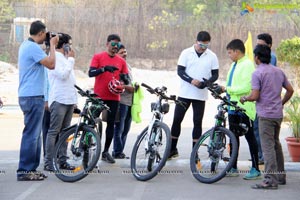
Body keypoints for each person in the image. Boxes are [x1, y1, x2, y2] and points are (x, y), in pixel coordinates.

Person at [240, 44, 294, 189]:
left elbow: (255, 95)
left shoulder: (257, 73)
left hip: (265, 115)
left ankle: (270, 180)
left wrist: (245, 98)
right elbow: (290, 90)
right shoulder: (278, 71)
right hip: (277, 114)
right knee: (276, 144)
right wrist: (281, 103)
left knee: (268, 147)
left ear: (256, 57)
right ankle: (280, 176)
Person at [17, 20, 58, 181]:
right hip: (32, 96)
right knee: (31, 135)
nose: (46, 37)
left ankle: (31, 169)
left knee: (35, 135)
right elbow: (52, 64)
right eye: (45, 34)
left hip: (31, 95)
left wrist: (48, 47)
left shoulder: (26, 46)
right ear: (40, 33)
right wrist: (53, 46)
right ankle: (25, 171)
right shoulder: (32, 48)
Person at [168, 31, 219, 159]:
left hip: (200, 95)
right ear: (196, 42)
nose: (203, 48)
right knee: (177, 120)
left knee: (197, 122)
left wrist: (206, 83)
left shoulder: (212, 56)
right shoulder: (186, 53)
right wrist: (191, 80)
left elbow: (215, 75)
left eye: (206, 45)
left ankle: (194, 152)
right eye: (201, 45)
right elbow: (180, 71)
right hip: (185, 93)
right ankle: (172, 148)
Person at [217, 39, 261, 180]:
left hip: (244, 108)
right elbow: (232, 84)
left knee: (249, 137)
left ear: (237, 51)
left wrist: (227, 88)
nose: (229, 55)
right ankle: (233, 166)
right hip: (232, 106)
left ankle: (255, 169)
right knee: (233, 137)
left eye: (230, 52)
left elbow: (247, 88)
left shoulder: (247, 65)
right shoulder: (234, 64)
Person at [88, 34, 128, 164]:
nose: (115, 47)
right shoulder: (98, 57)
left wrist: (124, 79)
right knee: (91, 122)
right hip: (99, 96)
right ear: (107, 44)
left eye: (117, 45)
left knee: (111, 124)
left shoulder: (121, 61)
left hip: (114, 97)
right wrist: (104, 69)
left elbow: (126, 77)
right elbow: (90, 73)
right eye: (113, 44)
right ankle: (87, 149)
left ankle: (105, 152)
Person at [44, 33, 77, 171]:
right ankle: (48, 162)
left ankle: (62, 160)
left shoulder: (65, 58)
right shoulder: (55, 57)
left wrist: (75, 100)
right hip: (59, 99)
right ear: (63, 45)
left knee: (65, 132)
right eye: (69, 44)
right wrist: (71, 60)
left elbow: (71, 80)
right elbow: (63, 75)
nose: (71, 47)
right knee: (54, 131)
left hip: (69, 100)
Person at [250, 33, 277, 165]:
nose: (258, 47)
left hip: (265, 106)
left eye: (261, 45)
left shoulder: (269, 59)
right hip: (271, 106)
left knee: (266, 138)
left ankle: (265, 161)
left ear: (269, 46)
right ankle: (263, 157)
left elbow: (261, 86)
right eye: (257, 44)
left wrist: (247, 97)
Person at [113, 44, 135, 159]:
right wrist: (127, 87)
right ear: (116, 54)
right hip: (121, 102)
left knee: (126, 129)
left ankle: (120, 151)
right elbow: (115, 84)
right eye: (122, 52)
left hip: (130, 102)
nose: (124, 54)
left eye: (125, 52)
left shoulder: (128, 66)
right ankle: (117, 152)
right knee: (119, 128)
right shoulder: (116, 67)